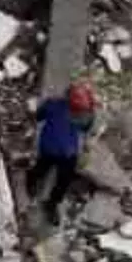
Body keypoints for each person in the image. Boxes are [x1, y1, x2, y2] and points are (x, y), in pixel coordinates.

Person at [27, 83, 96, 222]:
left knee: (49, 174)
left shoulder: (55, 104)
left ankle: (40, 193)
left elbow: (38, 116)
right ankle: (46, 201)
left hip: (57, 150)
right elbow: (86, 128)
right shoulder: (83, 111)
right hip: (60, 151)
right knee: (55, 178)